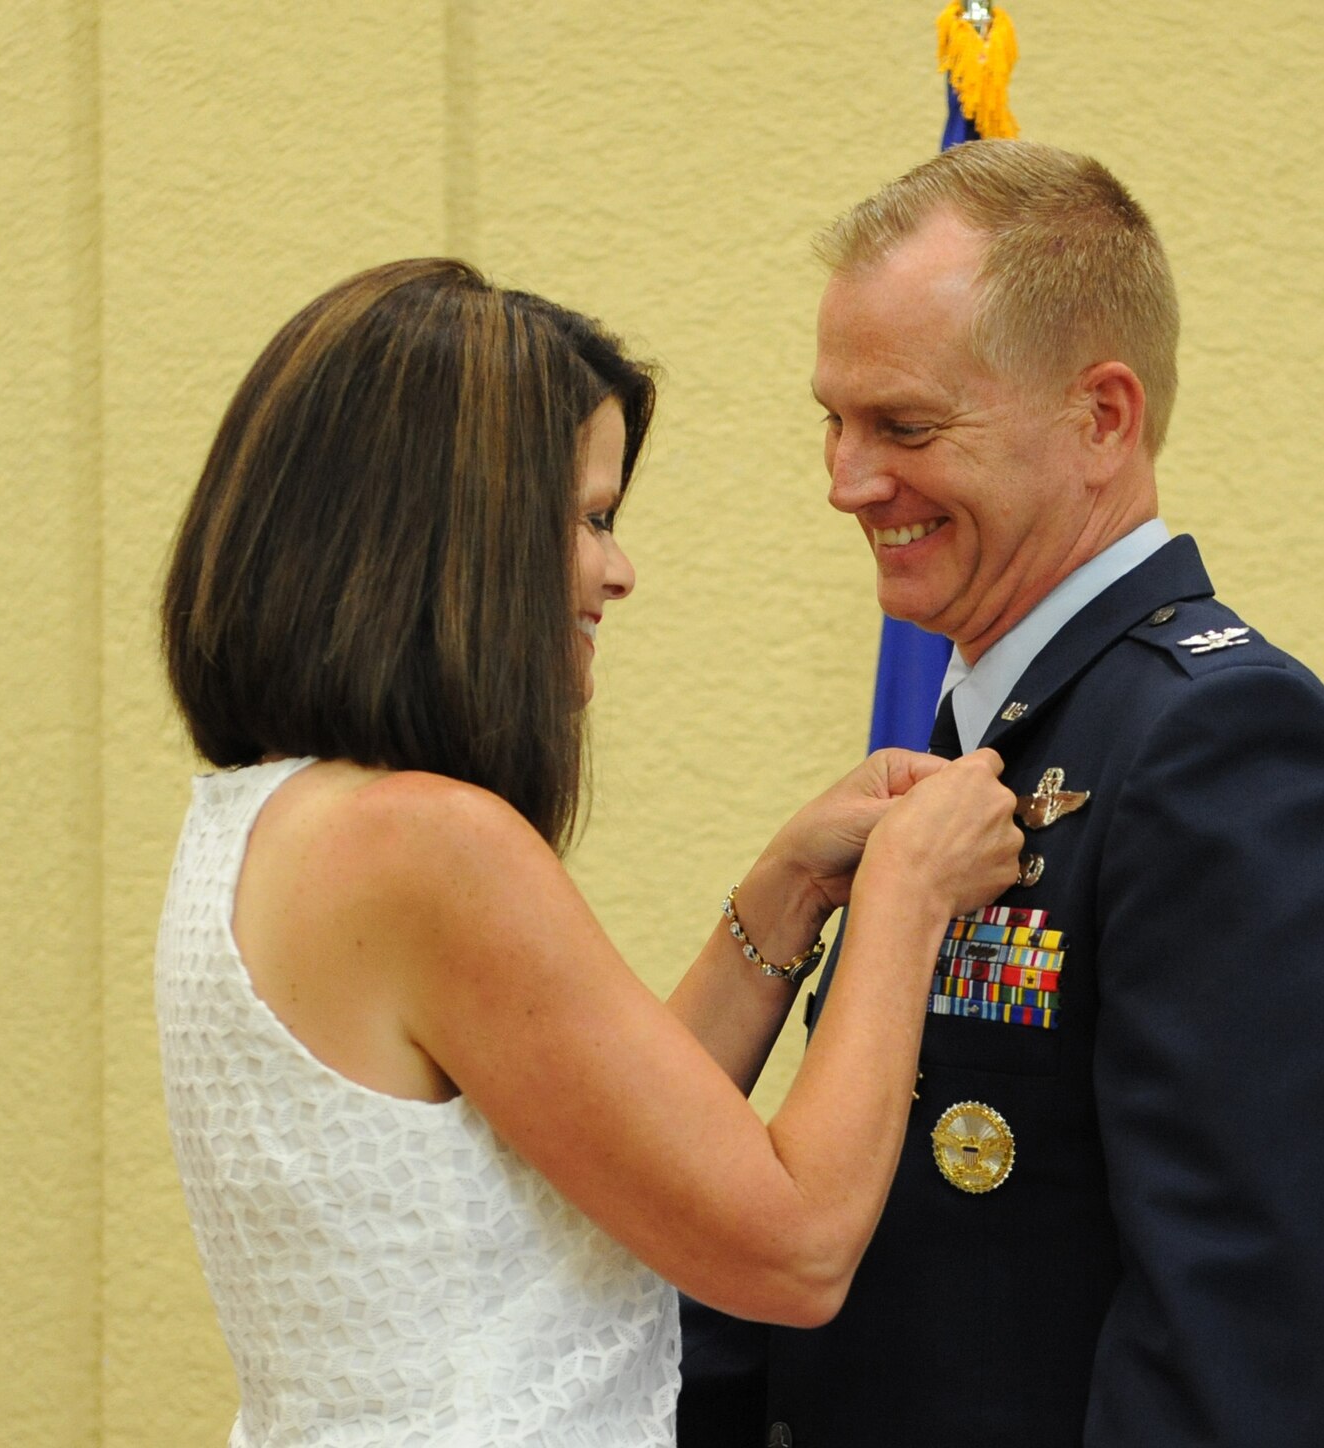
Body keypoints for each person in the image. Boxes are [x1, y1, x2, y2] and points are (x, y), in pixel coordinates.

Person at [152, 257, 1023, 1447]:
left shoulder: (269, 819)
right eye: (592, 518)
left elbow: (601, 1154)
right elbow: (796, 1246)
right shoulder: (426, 843)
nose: (618, 570)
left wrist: (793, 887)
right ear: (455, 534)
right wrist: (906, 895)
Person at [678, 142, 1324, 1447]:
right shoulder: (989, 736)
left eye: (904, 427)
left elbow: (1229, 1352)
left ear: (1102, 419)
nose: (846, 482)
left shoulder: (1228, 745)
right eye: (832, 422)